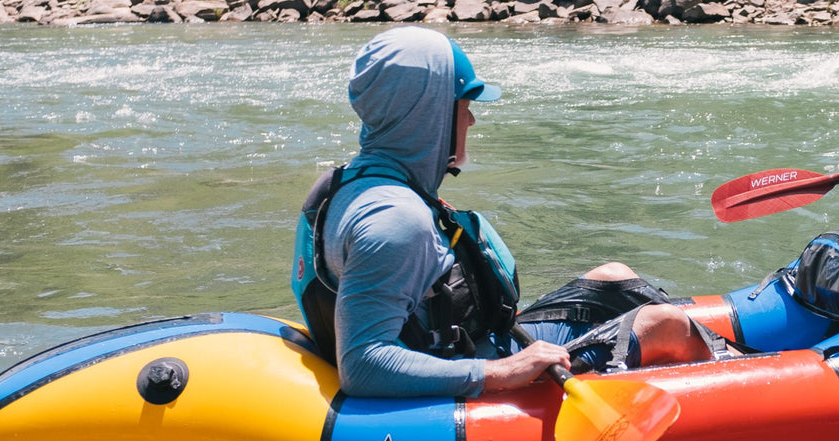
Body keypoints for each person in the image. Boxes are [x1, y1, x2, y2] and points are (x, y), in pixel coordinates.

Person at [291, 26, 713, 399]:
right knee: (664, 325)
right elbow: (362, 366)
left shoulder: (360, 183)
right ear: (429, 115)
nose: (471, 119)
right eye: (463, 104)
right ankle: (738, 391)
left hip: (474, 340)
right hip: (468, 368)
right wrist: (499, 372)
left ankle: (719, 344)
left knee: (613, 277)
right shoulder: (394, 220)